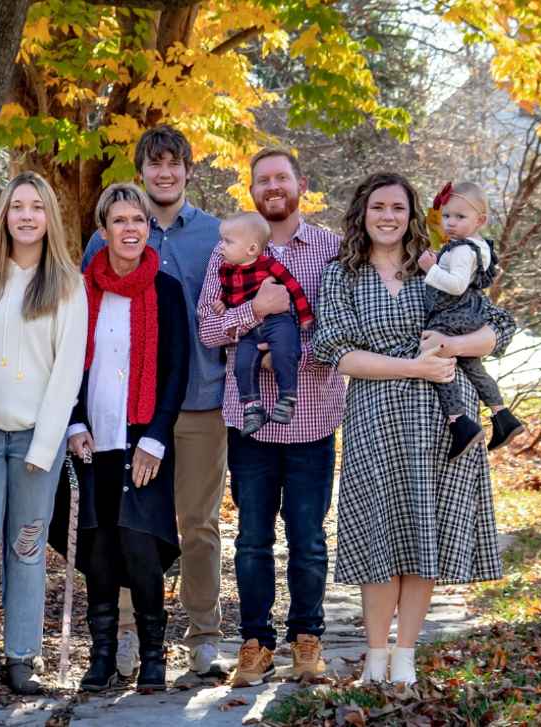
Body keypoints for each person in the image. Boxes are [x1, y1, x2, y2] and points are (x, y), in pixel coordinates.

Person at [313, 172, 515, 685]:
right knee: (379, 536)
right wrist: (415, 367)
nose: (387, 216)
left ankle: (404, 656)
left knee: (422, 534)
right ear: (362, 212)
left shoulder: (439, 266)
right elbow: (339, 354)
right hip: (374, 419)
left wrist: (453, 348)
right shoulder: (341, 274)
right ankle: (375, 658)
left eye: (398, 208)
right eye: (378, 206)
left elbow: (498, 326)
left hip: (444, 421)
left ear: (411, 215)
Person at [81, 125, 228, 683]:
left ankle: (203, 636)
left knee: (197, 522)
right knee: (123, 525)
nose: (165, 173)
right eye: (154, 164)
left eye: (175, 164)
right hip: (127, 412)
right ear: (141, 172)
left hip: (198, 402)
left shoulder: (215, 235)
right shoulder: (105, 243)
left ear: (189, 169)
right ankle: (122, 636)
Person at [197, 146, 344, 687]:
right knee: (252, 539)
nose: (273, 186)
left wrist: (276, 353)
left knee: (307, 538)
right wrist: (255, 312)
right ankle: (255, 645)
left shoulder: (331, 250)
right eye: (263, 180)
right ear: (252, 189)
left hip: (313, 421)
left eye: (282, 177)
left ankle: (307, 641)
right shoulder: (227, 252)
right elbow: (209, 331)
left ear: (300, 184)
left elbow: (337, 333)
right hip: (250, 424)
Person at [0, 171, 88, 695]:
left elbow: (68, 371)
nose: (26, 215)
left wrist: (48, 443)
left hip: (34, 438)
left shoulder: (68, 285)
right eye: (17, 206)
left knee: (26, 547)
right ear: (4, 215)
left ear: (50, 217)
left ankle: (22, 654)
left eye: (36, 206)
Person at [66, 183, 189, 693]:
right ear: (103, 230)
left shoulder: (166, 291)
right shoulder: (79, 291)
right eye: (120, 221)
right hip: (93, 437)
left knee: (140, 544)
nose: (131, 228)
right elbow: (65, 364)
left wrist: (156, 437)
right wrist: (73, 422)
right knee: (98, 546)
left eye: (138, 219)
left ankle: (154, 657)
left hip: (143, 439)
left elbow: (178, 369)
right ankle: (101, 656)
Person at [418, 181, 524, 461]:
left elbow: (455, 285)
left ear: (480, 221)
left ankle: (459, 422)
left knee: (437, 359)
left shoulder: (463, 249)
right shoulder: (474, 246)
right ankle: (503, 416)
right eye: (447, 216)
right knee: (472, 366)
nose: (451, 223)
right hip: (469, 312)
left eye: (460, 217)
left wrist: (431, 268)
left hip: (456, 313)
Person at [210, 211, 314, 436]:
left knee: (285, 352)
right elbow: (230, 296)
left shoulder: (268, 265)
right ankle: (253, 408)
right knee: (242, 365)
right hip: (251, 331)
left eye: (228, 242)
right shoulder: (226, 270)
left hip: (279, 322)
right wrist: (222, 304)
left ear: (251, 249)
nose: (221, 246)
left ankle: (287, 399)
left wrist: (305, 315)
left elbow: (293, 287)